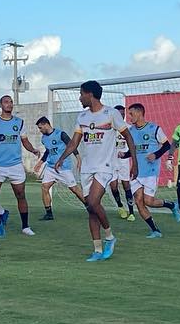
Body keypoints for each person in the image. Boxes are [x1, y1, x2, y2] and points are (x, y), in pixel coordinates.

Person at [53, 80, 134, 261]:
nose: (79, 98)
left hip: (105, 167)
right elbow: (74, 142)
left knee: (93, 202)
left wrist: (134, 162)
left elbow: (128, 136)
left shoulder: (111, 113)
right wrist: (62, 158)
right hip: (87, 168)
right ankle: (97, 250)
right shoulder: (82, 117)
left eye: (81, 94)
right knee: (91, 209)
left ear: (89, 94)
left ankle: (110, 237)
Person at [126, 103, 180, 237]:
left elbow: (167, 145)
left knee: (148, 202)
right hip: (136, 172)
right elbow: (133, 150)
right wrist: (125, 154)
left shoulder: (154, 128)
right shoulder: (131, 131)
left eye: (131, 113)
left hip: (150, 171)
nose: (130, 117)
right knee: (139, 202)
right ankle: (155, 230)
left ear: (139, 113)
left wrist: (155, 155)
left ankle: (171, 205)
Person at [0, 95, 38, 236]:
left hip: (15, 165)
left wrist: (33, 149)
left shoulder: (19, 122)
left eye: (11, 102)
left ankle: (25, 226)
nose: (9, 104)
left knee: (21, 195)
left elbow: (25, 141)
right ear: (0, 105)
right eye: (6, 102)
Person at [35, 116, 82, 218]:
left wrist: (78, 158)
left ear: (46, 124)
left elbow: (72, 145)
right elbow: (48, 151)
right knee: (44, 187)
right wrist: (40, 163)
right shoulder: (44, 138)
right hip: (51, 168)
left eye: (40, 128)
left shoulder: (61, 134)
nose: (40, 130)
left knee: (74, 189)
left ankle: (90, 207)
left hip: (63, 167)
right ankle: (49, 214)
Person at [112, 105, 135, 220]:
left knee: (126, 185)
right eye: (119, 114)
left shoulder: (128, 128)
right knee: (114, 186)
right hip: (111, 162)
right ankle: (120, 207)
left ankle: (131, 212)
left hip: (124, 162)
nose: (121, 115)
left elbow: (132, 146)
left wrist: (127, 154)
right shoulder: (109, 127)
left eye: (123, 114)